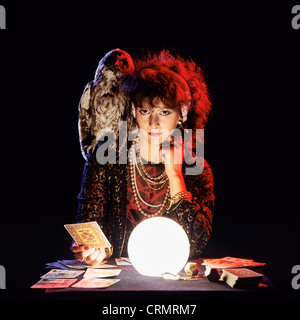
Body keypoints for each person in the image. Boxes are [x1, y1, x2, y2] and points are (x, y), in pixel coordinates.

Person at [72, 50, 215, 266]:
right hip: (116, 282)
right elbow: (87, 225)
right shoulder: (106, 158)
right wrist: (92, 250)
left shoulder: (198, 169)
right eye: (145, 111)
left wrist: (175, 175)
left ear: (182, 113)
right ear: (133, 110)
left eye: (165, 112)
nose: (154, 123)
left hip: (170, 281)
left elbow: (196, 244)